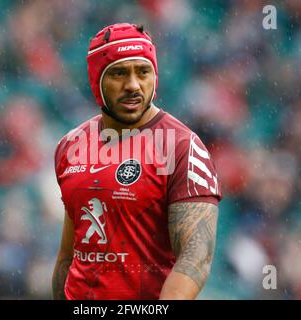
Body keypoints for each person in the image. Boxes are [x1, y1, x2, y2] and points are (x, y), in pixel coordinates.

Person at [52, 23, 222, 300]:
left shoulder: (182, 147)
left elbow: (196, 258)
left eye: (143, 72)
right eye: (118, 73)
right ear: (97, 81)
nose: (132, 85)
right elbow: (69, 256)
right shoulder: (70, 145)